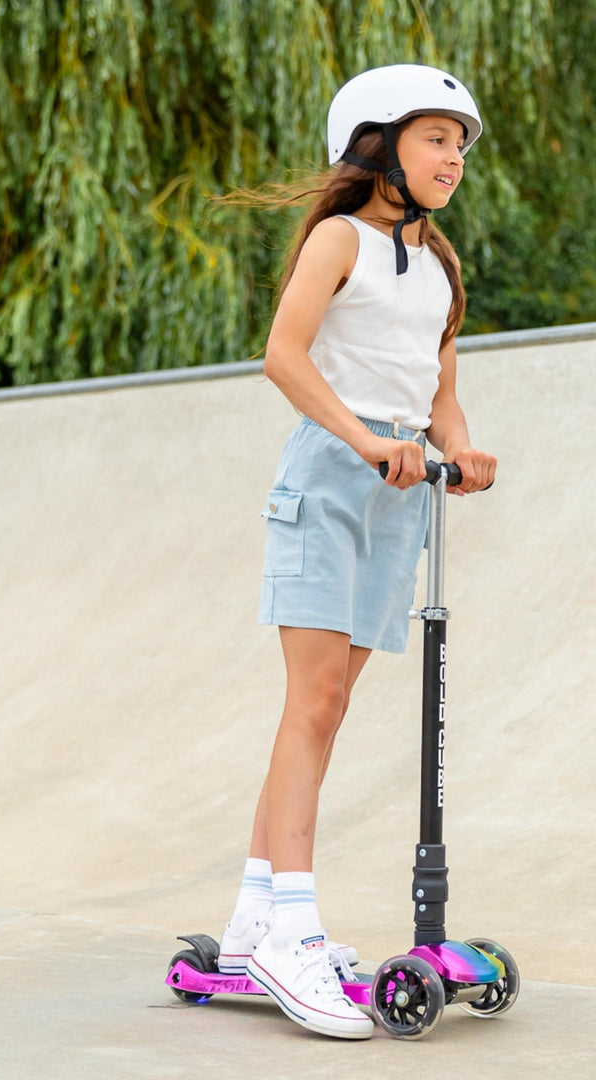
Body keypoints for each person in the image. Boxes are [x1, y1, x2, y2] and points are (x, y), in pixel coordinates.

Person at [219, 63, 497, 1040]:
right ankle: (292, 928)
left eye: (460, 143)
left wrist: (456, 448)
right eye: (435, 139)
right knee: (315, 700)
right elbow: (283, 356)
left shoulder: (443, 263)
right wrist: (364, 438)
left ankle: (254, 919)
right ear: (375, 143)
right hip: (334, 477)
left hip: (400, 491)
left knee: (328, 710)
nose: (453, 157)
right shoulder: (339, 239)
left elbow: (439, 385)